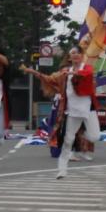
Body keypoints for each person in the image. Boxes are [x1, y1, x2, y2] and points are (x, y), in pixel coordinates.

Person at [24, 47, 99, 179]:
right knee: (68, 140)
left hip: (88, 109)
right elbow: (49, 79)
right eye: (72, 54)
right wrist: (34, 72)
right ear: (70, 58)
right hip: (73, 111)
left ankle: (81, 143)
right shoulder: (64, 73)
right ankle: (62, 170)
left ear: (82, 56)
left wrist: (73, 74)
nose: (75, 55)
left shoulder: (86, 68)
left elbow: (87, 74)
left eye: (77, 53)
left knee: (94, 137)